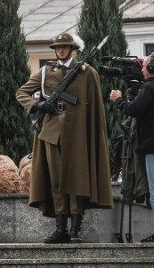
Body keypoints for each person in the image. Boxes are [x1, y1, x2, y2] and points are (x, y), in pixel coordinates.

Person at [15, 32, 113, 243]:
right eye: (57, 47)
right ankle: (61, 229)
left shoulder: (87, 73)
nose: (60, 50)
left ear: (72, 49)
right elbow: (21, 93)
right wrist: (38, 105)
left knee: (77, 179)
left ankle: (76, 228)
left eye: (64, 47)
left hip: (78, 133)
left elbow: (94, 108)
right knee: (57, 180)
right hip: (52, 133)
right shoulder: (45, 71)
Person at [110, 52, 154, 243]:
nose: (141, 69)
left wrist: (118, 99)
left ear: (152, 68)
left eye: (144, 66)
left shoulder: (150, 88)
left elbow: (133, 109)